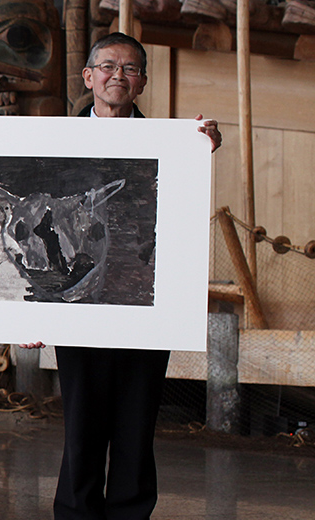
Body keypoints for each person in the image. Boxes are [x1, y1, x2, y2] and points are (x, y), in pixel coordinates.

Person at [22, 32, 222, 520]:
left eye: (130, 68)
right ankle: (76, 513)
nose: (118, 75)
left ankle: (131, 514)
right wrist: (23, 312)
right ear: (88, 76)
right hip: (76, 302)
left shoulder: (171, 146)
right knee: (81, 423)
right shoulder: (47, 145)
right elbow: (32, 231)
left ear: (142, 82)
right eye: (108, 66)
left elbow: (178, 216)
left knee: (136, 424)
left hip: (145, 300)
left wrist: (201, 151)